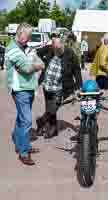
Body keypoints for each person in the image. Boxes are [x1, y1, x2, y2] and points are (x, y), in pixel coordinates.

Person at [5, 23, 44, 165]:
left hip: (29, 88)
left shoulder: (27, 48)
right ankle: (23, 152)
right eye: (27, 37)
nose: (28, 40)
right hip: (19, 89)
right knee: (27, 120)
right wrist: (34, 65)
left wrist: (34, 64)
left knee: (22, 118)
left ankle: (23, 144)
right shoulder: (12, 49)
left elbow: (40, 62)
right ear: (20, 33)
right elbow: (27, 68)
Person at [36, 38, 82, 138]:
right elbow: (37, 53)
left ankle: (41, 121)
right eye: (54, 49)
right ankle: (52, 129)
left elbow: (77, 70)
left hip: (62, 87)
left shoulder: (70, 53)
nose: (56, 52)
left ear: (63, 45)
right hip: (47, 85)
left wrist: (78, 86)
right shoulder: (49, 49)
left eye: (58, 50)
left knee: (53, 109)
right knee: (49, 108)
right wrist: (43, 62)